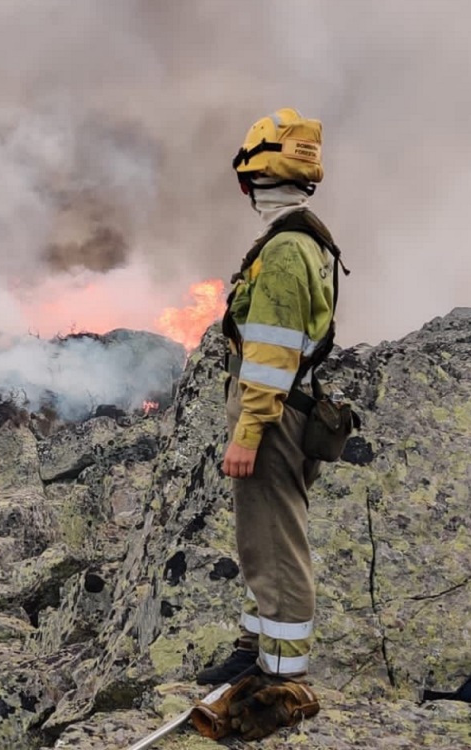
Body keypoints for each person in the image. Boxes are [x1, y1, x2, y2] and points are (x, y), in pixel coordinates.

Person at [196, 107, 344, 687]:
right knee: (261, 539)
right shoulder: (306, 238)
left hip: (273, 418)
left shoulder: (285, 249)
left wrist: (248, 431)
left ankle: (280, 677)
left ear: (253, 177)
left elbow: (271, 353)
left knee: (275, 543)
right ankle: (258, 646)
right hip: (288, 410)